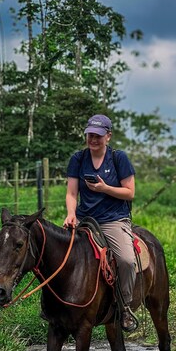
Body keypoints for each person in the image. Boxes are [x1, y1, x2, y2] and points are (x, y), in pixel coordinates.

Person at [64, 114, 138, 332]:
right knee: (57, 253)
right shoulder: (78, 159)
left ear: (108, 136)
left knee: (126, 260)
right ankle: (59, 306)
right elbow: (71, 193)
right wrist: (71, 214)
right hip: (85, 219)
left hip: (113, 219)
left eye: (98, 135)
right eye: (90, 135)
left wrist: (105, 189)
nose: (93, 139)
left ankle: (125, 307)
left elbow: (130, 192)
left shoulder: (118, 158)